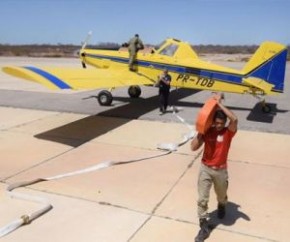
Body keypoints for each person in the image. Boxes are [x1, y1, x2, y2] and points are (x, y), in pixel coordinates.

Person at [191, 98, 238, 242]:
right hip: (206, 168)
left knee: (221, 195)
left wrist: (218, 104)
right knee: (202, 199)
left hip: (221, 171)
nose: (218, 125)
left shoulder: (228, 133)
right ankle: (203, 227)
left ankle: (222, 204)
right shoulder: (207, 131)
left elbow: (234, 119)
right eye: (216, 122)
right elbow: (193, 147)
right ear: (213, 121)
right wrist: (200, 132)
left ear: (224, 123)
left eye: (220, 123)